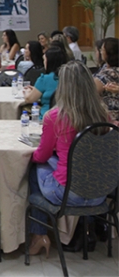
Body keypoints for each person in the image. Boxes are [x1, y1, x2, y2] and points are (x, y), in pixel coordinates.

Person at [27, 61, 109, 258]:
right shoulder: (103, 115)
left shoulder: (54, 117)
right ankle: (88, 227)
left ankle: (38, 234)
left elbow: (41, 156)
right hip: (100, 191)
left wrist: (33, 154)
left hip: (68, 193)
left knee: (34, 167)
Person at [24, 47, 67, 119]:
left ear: (49, 62)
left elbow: (29, 99)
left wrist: (27, 92)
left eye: (44, 60)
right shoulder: (69, 77)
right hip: (67, 119)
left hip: (47, 118)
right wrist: (36, 89)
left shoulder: (44, 79)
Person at [93, 37, 118, 123]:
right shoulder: (105, 69)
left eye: (102, 50)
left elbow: (89, 92)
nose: (100, 51)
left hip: (109, 119)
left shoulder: (107, 74)